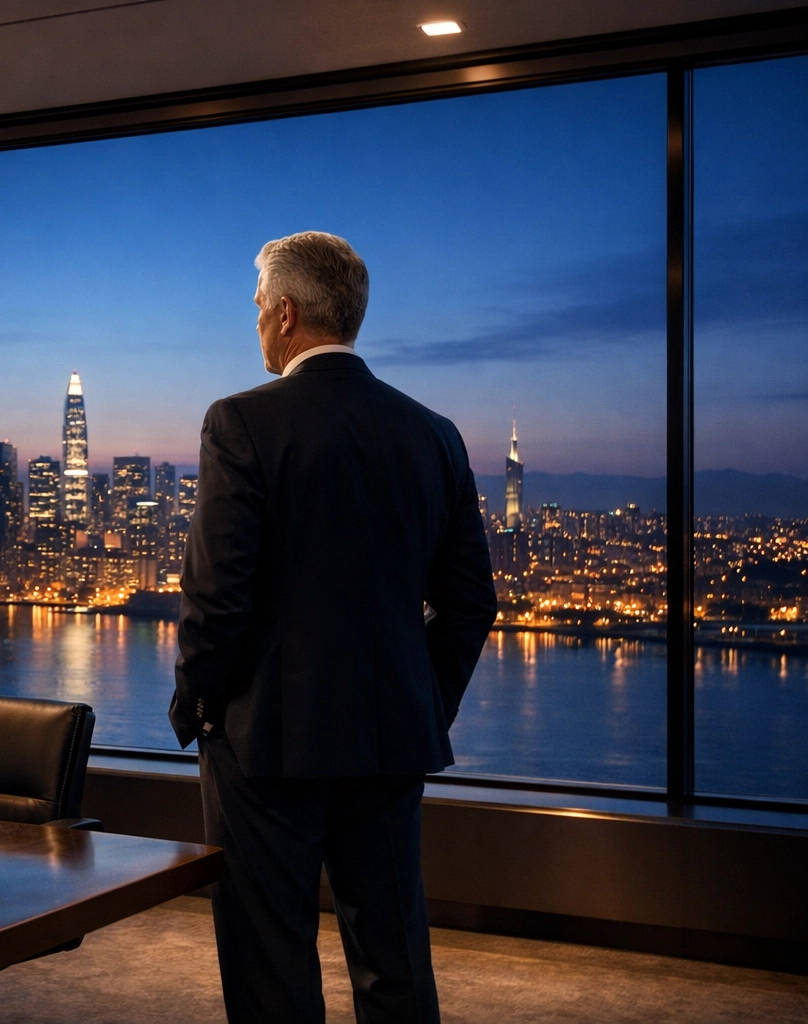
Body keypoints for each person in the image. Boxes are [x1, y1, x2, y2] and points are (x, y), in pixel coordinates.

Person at [172, 231, 497, 1023]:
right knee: (395, 959)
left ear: (287, 313)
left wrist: (200, 707)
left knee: (271, 966)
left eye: (258, 305)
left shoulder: (241, 422)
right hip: (390, 737)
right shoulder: (434, 433)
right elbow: (471, 602)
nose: (255, 320)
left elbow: (216, 596)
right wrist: (423, 699)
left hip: (266, 743)